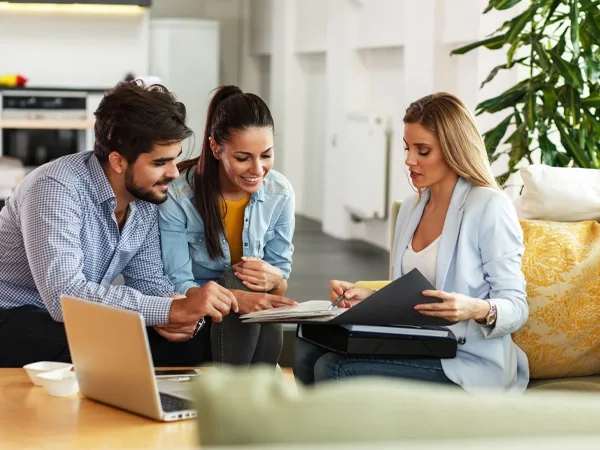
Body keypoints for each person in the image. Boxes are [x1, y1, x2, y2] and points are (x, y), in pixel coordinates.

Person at [293, 92, 529, 393]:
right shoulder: (410, 208)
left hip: (468, 359)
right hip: (419, 344)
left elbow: (517, 307)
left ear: (452, 150)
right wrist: (369, 297)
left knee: (334, 367)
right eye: (407, 148)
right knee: (306, 349)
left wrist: (474, 309)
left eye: (423, 150)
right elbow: (412, 295)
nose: (409, 160)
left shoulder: (489, 207)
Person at [0, 81, 239, 368]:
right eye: (160, 162)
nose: (174, 173)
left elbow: (149, 281)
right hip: (14, 313)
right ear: (117, 161)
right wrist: (168, 309)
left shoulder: (146, 199)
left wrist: (180, 313)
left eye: (174, 160)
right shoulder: (55, 188)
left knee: (197, 342)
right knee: (94, 341)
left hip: (73, 319)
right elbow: (65, 297)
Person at [159, 85, 296, 366]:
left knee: (257, 286)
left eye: (266, 155)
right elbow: (178, 281)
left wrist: (276, 280)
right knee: (240, 279)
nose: (258, 169)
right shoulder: (178, 195)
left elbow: (280, 280)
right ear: (215, 148)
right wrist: (237, 296)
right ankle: (252, 391)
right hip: (200, 313)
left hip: (251, 318)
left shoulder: (280, 193)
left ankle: (249, 393)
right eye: (243, 158)